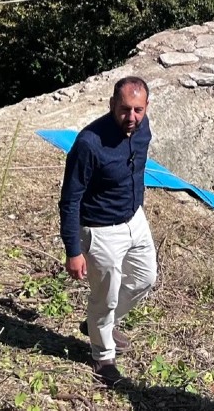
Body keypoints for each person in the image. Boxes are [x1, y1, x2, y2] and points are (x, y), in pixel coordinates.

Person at [58, 76, 157, 387]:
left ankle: (98, 325)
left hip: (134, 220)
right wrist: (74, 250)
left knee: (145, 278)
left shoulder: (142, 129)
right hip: (100, 230)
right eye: (125, 109)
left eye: (138, 110)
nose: (131, 117)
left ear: (146, 107)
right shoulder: (89, 143)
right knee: (106, 297)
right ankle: (103, 358)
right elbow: (70, 199)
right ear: (112, 104)